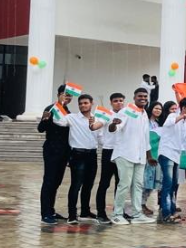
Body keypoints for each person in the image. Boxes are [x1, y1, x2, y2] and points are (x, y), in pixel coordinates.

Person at [107, 87, 155, 225]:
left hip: (140, 156)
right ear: (134, 97)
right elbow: (115, 128)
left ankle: (136, 214)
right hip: (125, 154)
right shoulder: (126, 111)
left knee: (138, 185)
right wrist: (113, 125)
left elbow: (145, 138)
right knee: (124, 185)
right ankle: (117, 214)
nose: (143, 99)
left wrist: (149, 155)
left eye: (145, 97)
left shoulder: (144, 113)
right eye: (140, 96)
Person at [158, 97, 186, 224]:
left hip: (176, 155)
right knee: (167, 184)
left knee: (174, 185)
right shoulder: (173, 115)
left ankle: (171, 211)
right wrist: (183, 117)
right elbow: (168, 124)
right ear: (183, 108)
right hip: (166, 153)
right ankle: (165, 214)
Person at [64, 93, 104, 224]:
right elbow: (58, 120)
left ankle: (85, 211)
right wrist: (60, 103)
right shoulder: (72, 118)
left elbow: (101, 138)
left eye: (85, 103)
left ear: (91, 103)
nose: (82, 105)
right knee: (76, 185)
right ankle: (71, 214)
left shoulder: (98, 119)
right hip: (77, 154)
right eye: (80, 103)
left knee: (89, 184)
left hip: (92, 154)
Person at [37, 85, 73, 224]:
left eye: (70, 96)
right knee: (49, 181)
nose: (67, 97)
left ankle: (51, 210)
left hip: (64, 151)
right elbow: (40, 129)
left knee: (57, 182)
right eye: (65, 94)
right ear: (58, 95)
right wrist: (45, 119)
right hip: (52, 150)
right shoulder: (51, 109)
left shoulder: (68, 111)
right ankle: (45, 213)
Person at [94, 92, 126, 223]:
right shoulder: (106, 115)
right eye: (116, 101)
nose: (119, 103)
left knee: (121, 183)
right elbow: (100, 128)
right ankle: (100, 213)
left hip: (122, 151)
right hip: (109, 151)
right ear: (111, 102)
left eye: (121, 100)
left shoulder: (128, 115)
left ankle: (119, 211)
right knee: (104, 183)